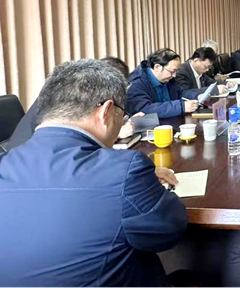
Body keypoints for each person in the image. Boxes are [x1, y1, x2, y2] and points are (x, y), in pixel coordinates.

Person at [0, 59, 187, 287]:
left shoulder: (4, 163)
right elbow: (170, 230)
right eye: (122, 113)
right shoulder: (125, 171)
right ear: (106, 111)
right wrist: (150, 185)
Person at [3, 57, 143, 152]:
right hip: (30, 161)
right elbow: (71, 141)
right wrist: (115, 133)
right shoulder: (72, 98)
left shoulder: (69, 91)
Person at [127, 48, 199, 119]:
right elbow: (145, 109)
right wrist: (181, 107)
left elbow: (180, 93)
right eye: (172, 71)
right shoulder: (136, 83)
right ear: (157, 67)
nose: (174, 75)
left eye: (176, 71)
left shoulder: (168, 78)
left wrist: (197, 96)